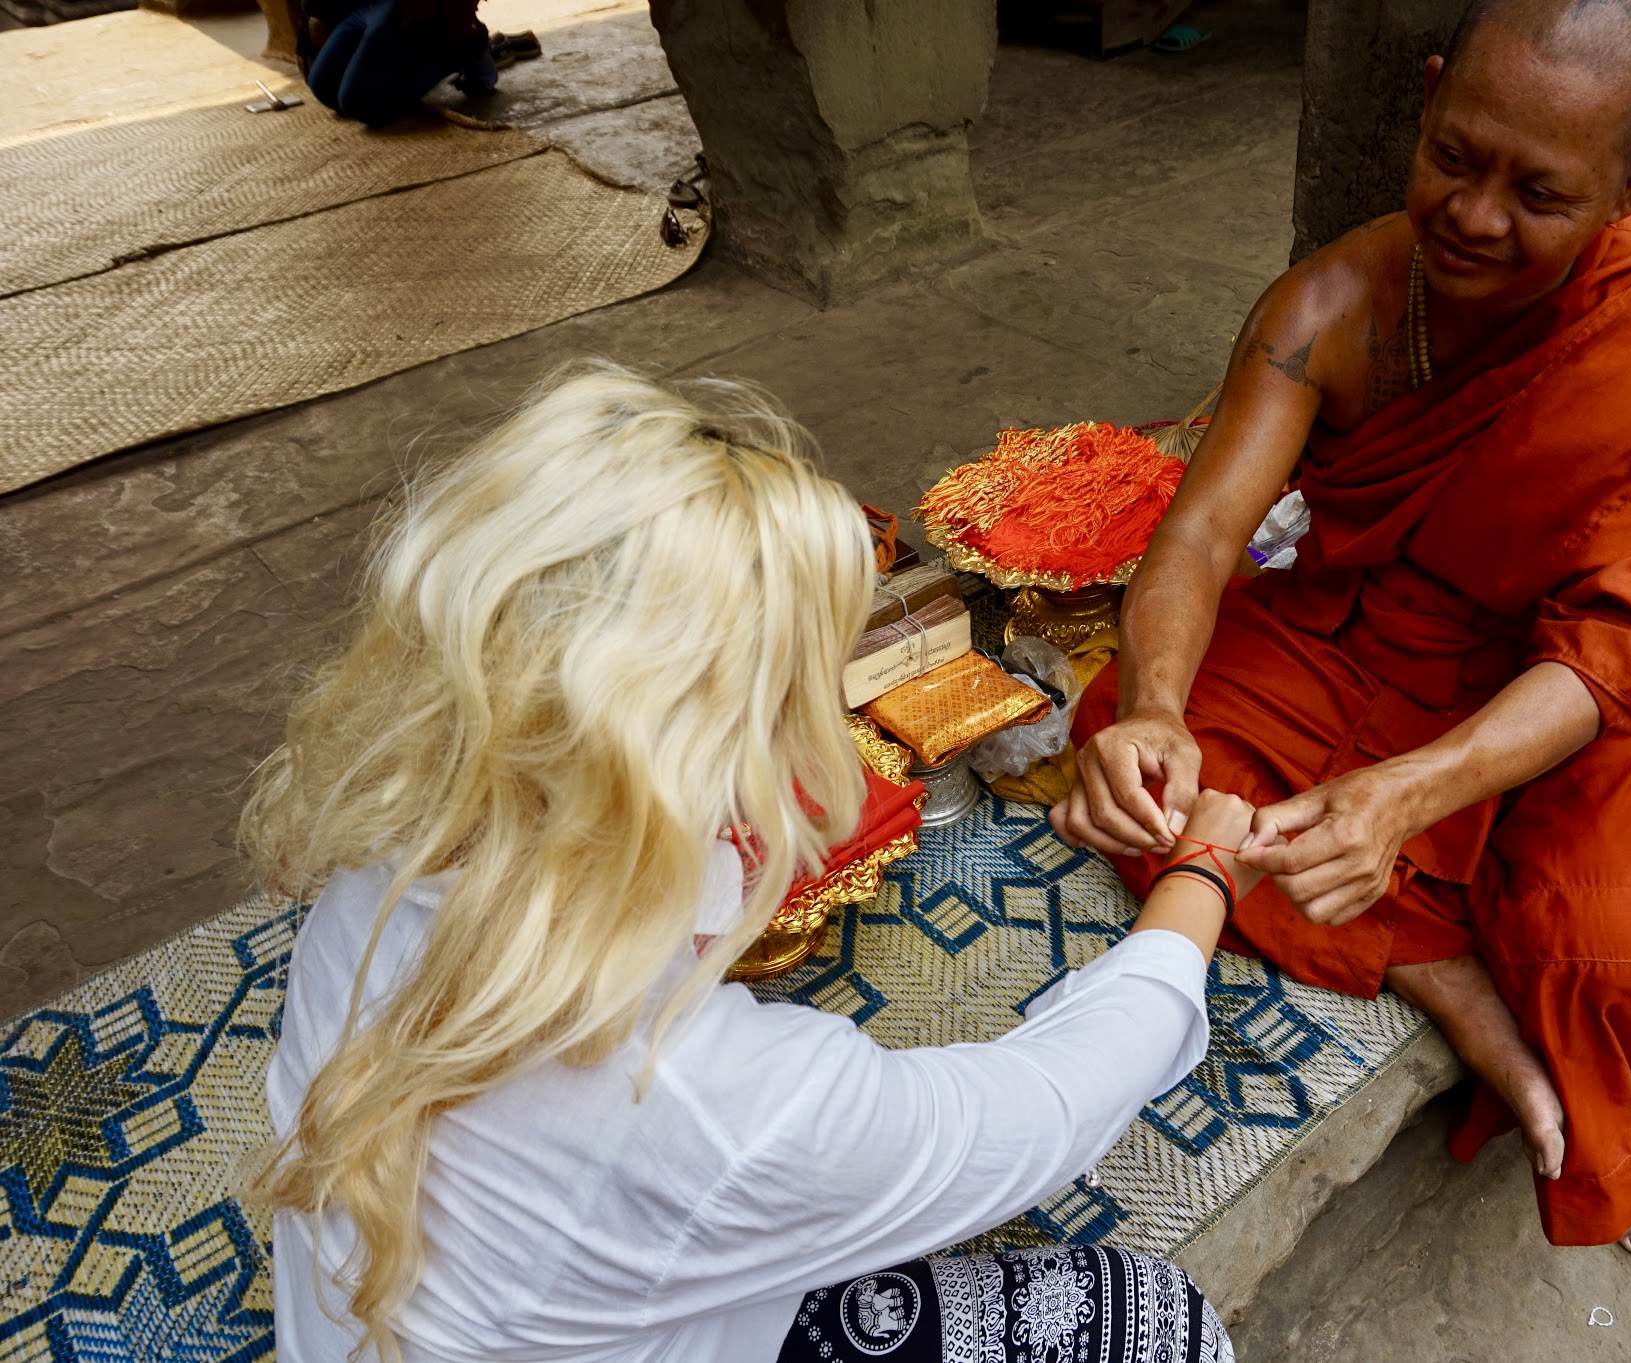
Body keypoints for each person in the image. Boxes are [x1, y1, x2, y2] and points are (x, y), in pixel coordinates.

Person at [248, 368, 1249, 1362]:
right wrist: (1199, 875)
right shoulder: (719, 1108)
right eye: (797, 691)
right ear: (693, 749)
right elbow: (1049, 1106)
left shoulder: (385, 864)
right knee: (1147, 1316)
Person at [1055, 0, 1631, 1260]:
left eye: (1539, 194)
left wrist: (1406, 792)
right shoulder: (1327, 303)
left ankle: (1523, 1005)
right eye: (1453, 157)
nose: (1474, 216)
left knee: (1610, 960)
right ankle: (1454, 989)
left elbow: (1625, 652)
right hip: (1362, 632)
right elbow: (1198, 537)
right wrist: (1157, 709)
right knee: (1144, 770)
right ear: (1431, 93)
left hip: (1560, 682)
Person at [289, 0, 496, 126]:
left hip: (407, 6)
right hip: (364, 5)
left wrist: (461, 23)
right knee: (323, 87)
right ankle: (401, 55)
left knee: (359, 105)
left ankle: (465, 50)